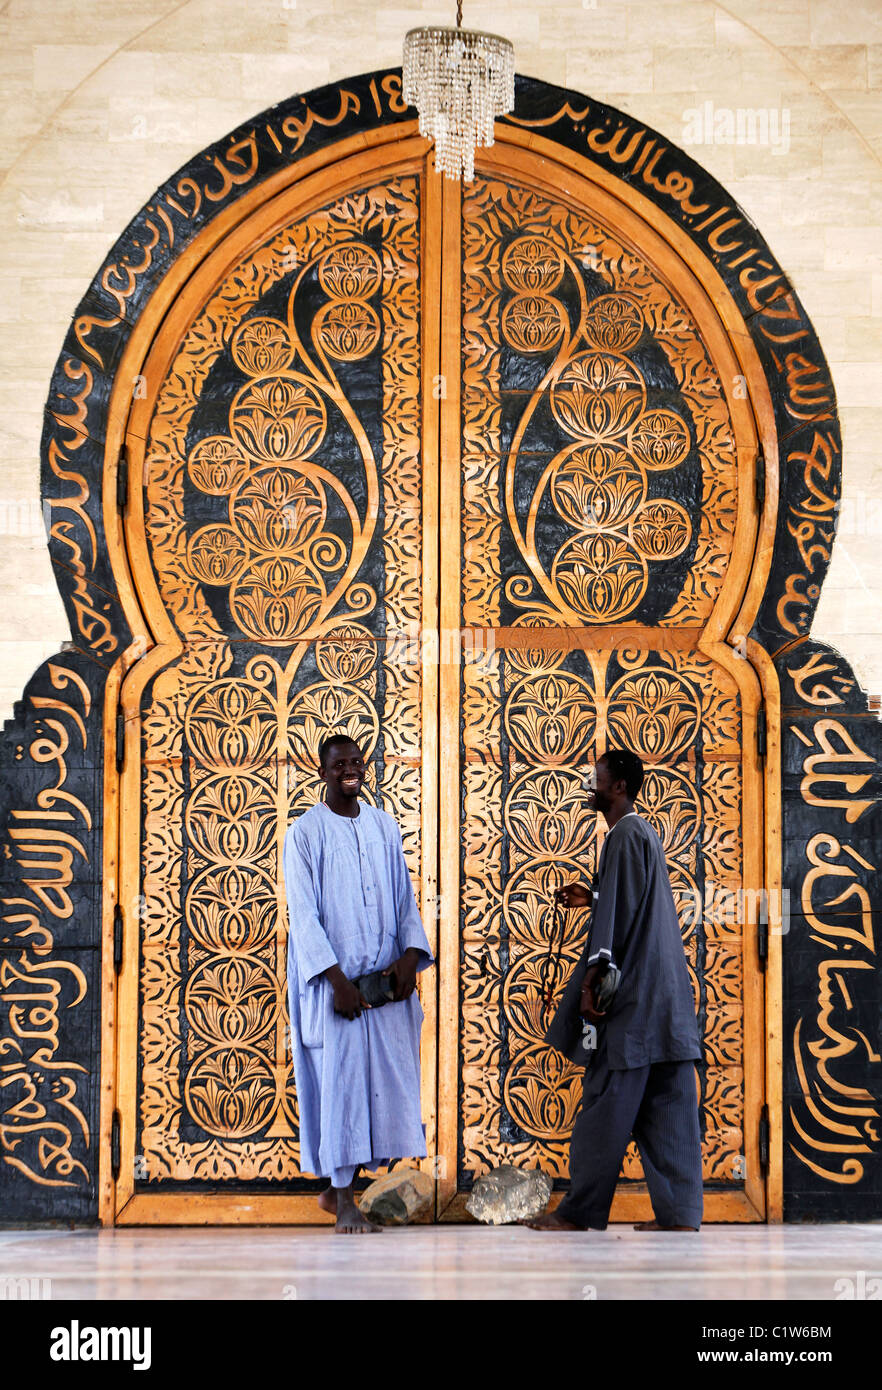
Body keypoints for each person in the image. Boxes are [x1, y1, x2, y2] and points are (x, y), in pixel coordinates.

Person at [524, 748, 703, 1233]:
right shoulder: (642, 833)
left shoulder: (623, 835)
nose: (590, 783)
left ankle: (579, 1213)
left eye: (596, 777)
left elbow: (617, 927)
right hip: (665, 1003)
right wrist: (594, 895)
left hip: (631, 1005)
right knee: (668, 1109)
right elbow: (625, 899)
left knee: (604, 1102)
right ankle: (681, 1216)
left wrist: (593, 985)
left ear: (618, 785)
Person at [283, 732, 433, 1233]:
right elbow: (303, 916)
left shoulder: (383, 827)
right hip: (336, 990)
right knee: (341, 1088)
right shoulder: (305, 833)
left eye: (356, 762)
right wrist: (337, 982)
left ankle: (333, 1191)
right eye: (339, 764)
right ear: (322, 772)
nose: (350, 769)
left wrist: (410, 958)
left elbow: (404, 899)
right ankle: (345, 1203)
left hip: (383, 988)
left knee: (377, 1088)